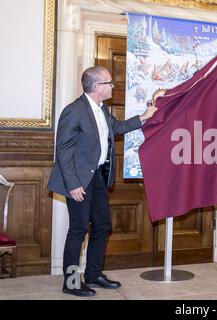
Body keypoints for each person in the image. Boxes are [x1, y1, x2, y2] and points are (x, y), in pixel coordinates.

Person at [48, 66, 158, 297]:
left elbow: (116, 128)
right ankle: (71, 282)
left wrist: (144, 117)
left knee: (102, 225)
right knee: (78, 229)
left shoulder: (101, 108)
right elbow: (63, 151)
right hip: (78, 180)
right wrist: (73, 184)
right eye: (109, 83)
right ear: (97, 87)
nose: (113, 86)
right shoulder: (74, 111)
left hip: (97, 176)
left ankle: (93, 274)